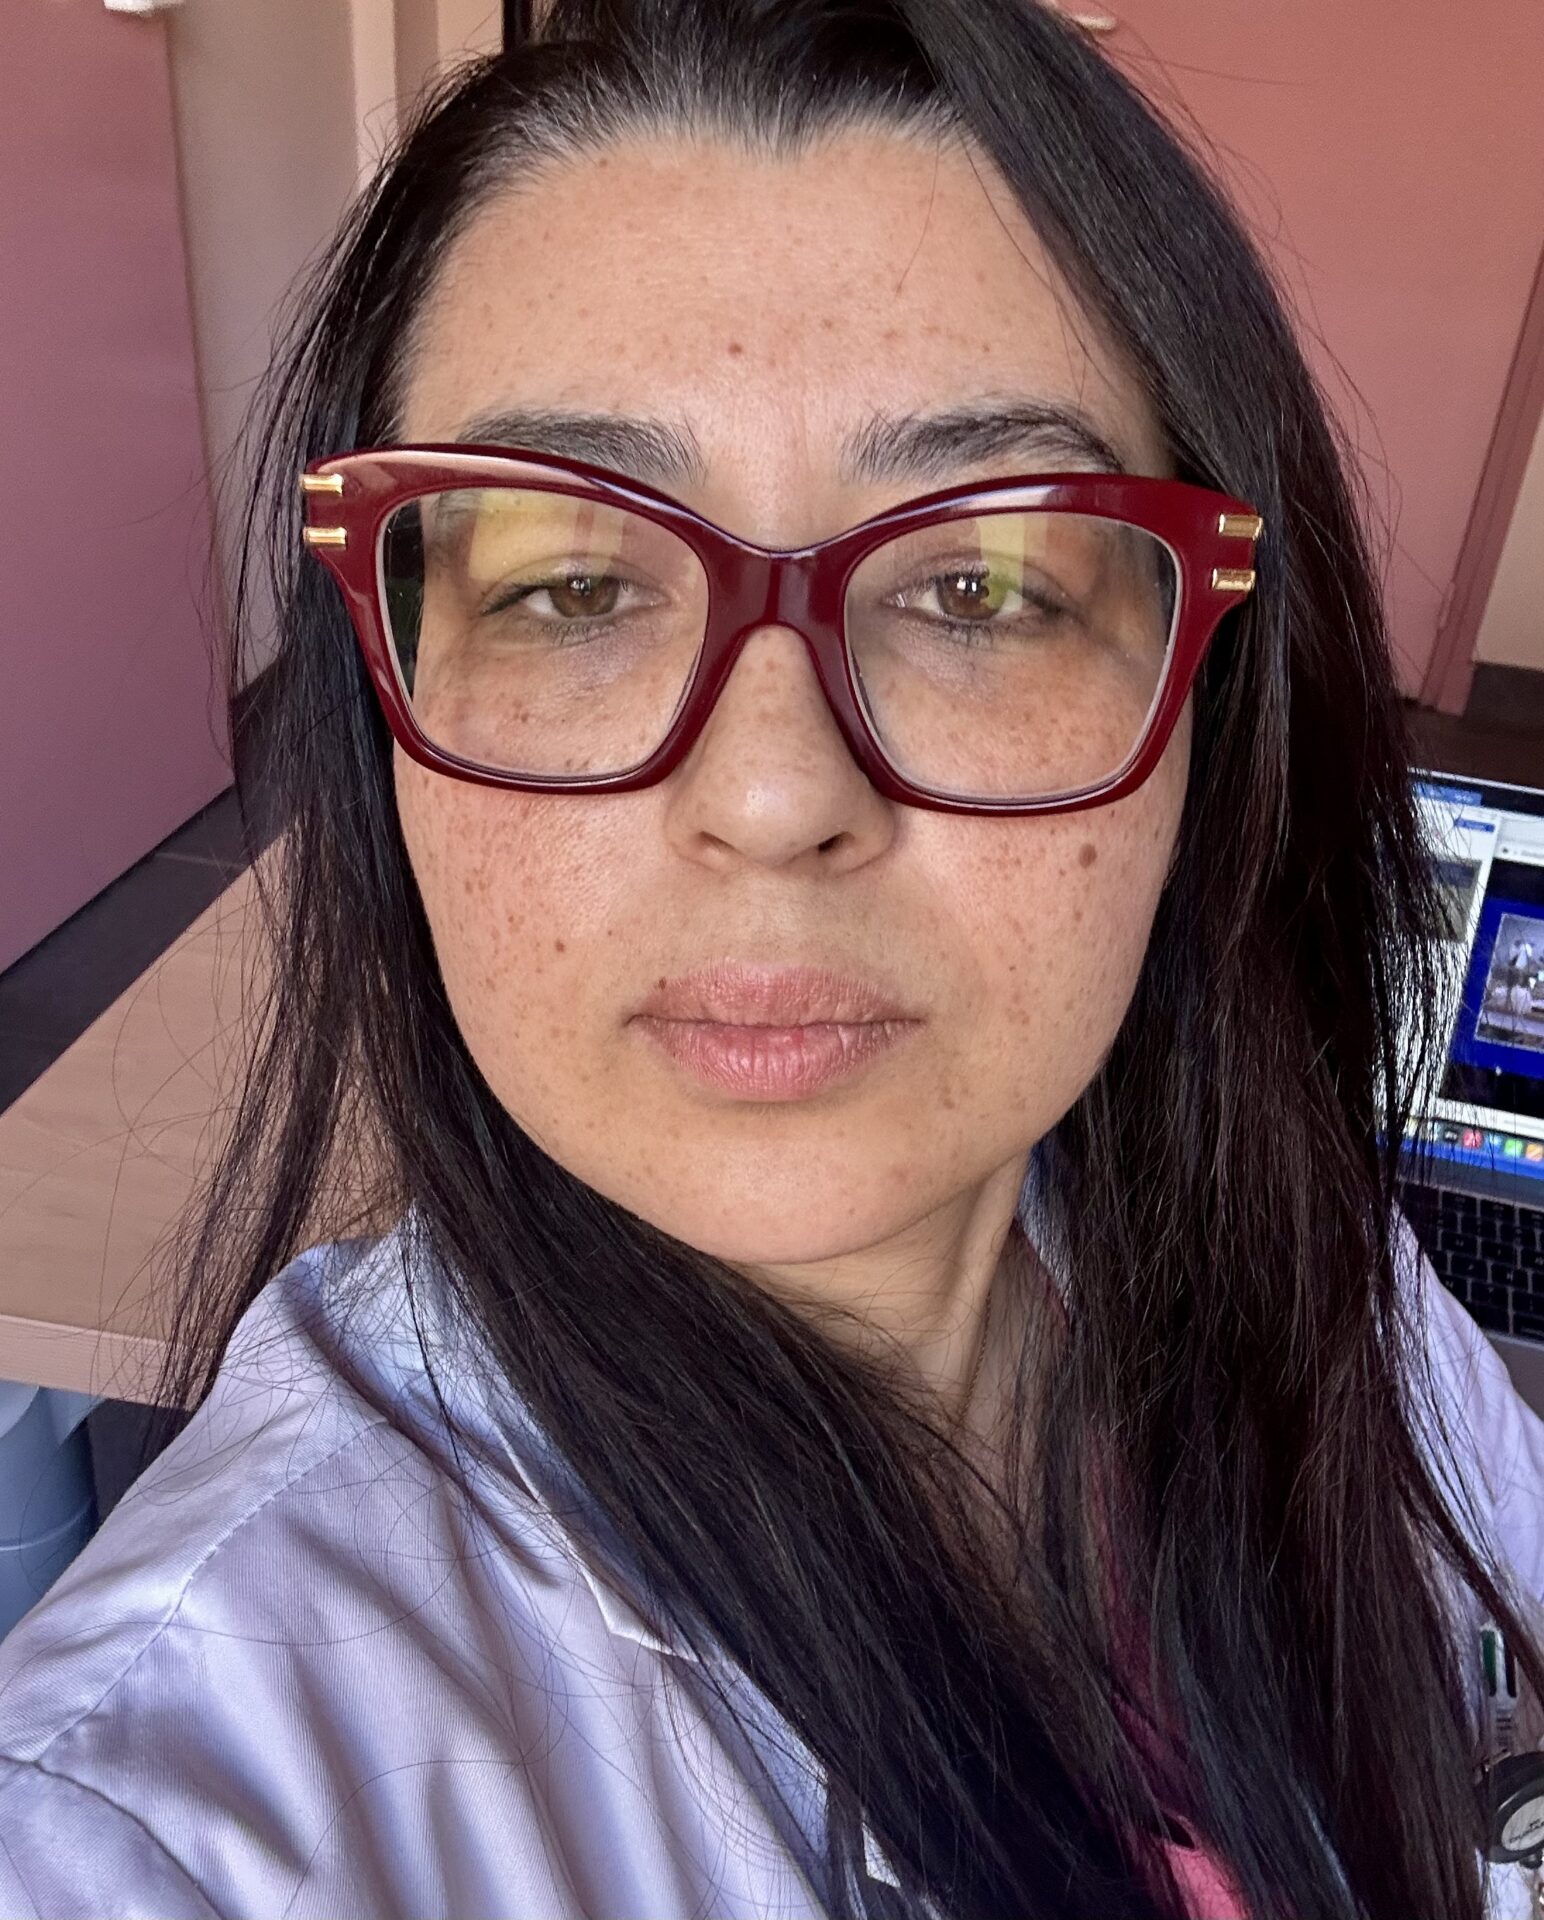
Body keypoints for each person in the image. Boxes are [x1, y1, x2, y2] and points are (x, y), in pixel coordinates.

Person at [2, 3, 1542, 1915]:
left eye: (980, 586)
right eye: (572, 585)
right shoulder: (147, 1828)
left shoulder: (1333, 1286)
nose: (774, 793)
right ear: (383, 709)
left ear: (1206, 710)